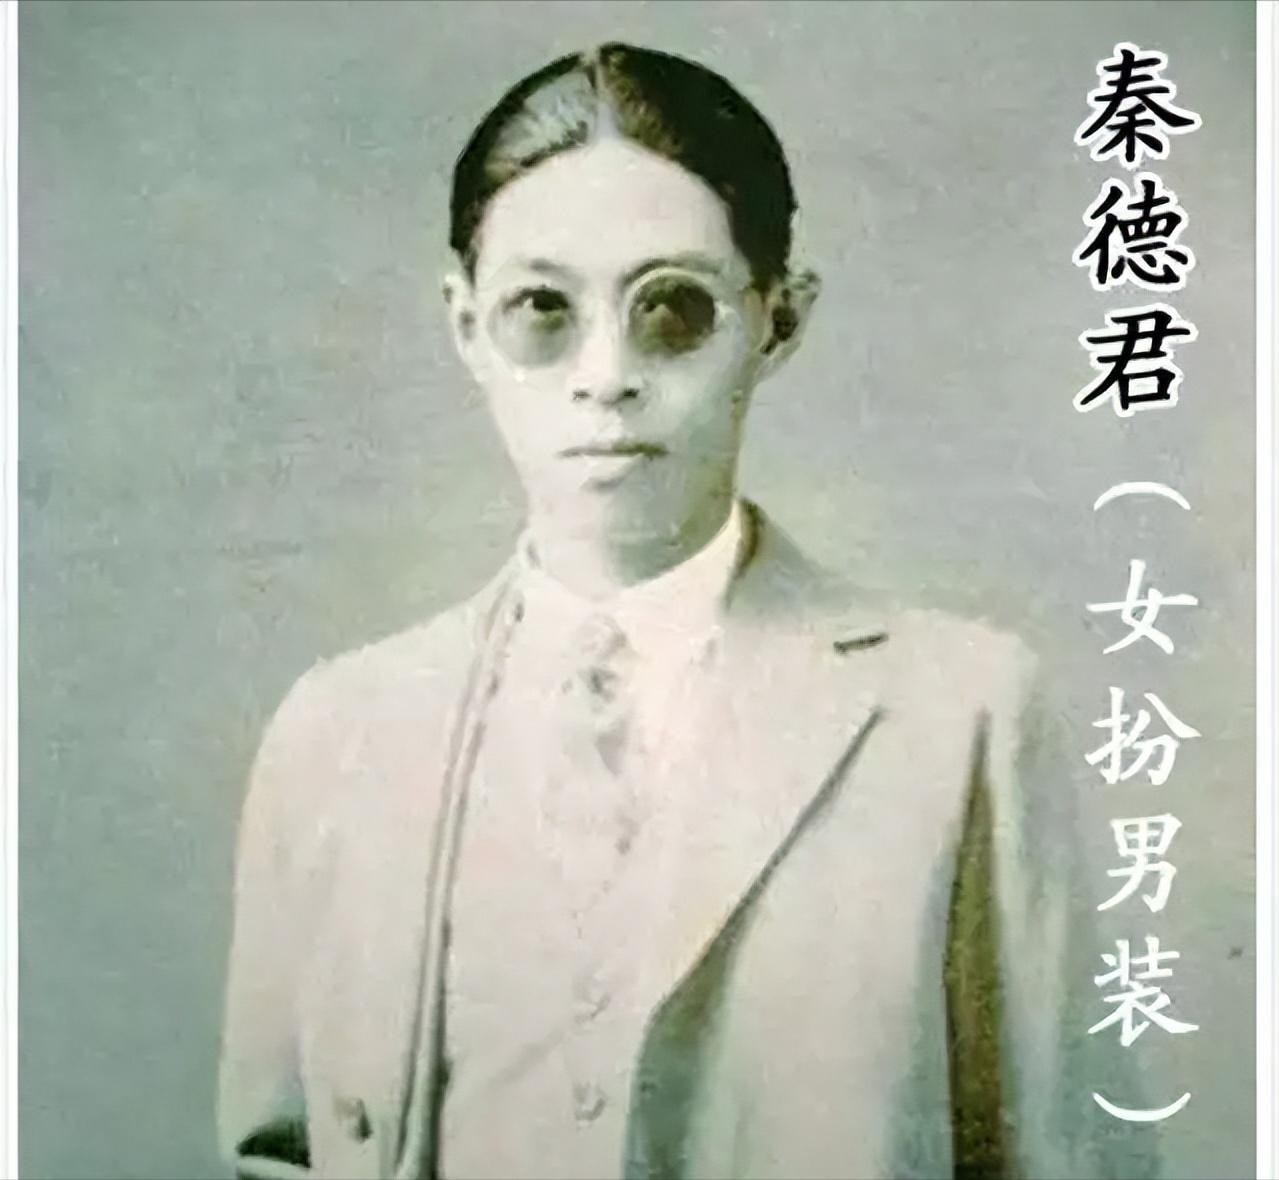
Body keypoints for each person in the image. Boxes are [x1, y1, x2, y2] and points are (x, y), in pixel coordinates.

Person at [218, 42, 1144, 1180]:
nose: (605, 373)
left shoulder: (961, 718)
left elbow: (1064, 1156)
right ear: (464, 325)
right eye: (540, 309)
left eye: (673, 309)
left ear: (778, 321)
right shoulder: (337, 734)